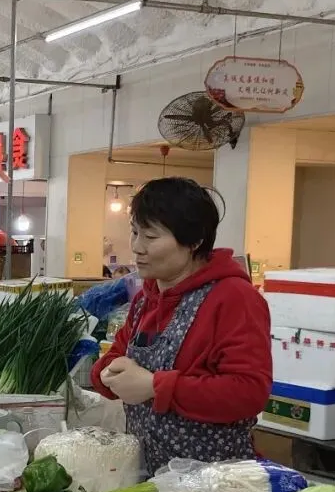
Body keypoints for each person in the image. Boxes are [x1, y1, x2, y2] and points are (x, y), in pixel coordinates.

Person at [91, 177, 271, 473]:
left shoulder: (234, 298)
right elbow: (116, 355)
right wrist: (107, 374)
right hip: (151, 476)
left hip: (217, 479)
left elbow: (249, 392)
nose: (137, 247)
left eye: (151, 237)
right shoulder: (145, 299)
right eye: (135, 232)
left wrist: (154, 386)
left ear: (195, 241)